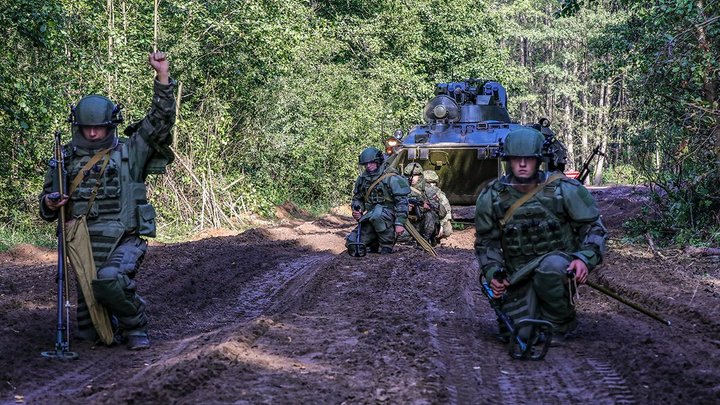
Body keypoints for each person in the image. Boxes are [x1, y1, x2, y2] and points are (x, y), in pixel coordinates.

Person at [39, 51, 176, 350]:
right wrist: (51, 202)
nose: (92, 132)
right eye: (87, 127)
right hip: (83, 245)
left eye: (98, 127)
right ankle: (111, 320)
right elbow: (47, 204)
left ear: (110, 125)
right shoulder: (65, 160)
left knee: (110, 279)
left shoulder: (131, 152)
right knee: (91, 334)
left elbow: (160, 122)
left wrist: (162, 77)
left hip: (124, 239)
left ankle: (136, 324)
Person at [474, 128, 607, 343]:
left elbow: (594, 228)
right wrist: (493, 272)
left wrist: (583, 258)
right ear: (508, 161)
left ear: (540, 160)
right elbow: (486, 242)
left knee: (550, 267)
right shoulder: (492, 196)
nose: (523, 164)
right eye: (517, 159)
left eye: (529, 159)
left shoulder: (565, 189)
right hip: (518, 275)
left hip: (558, 267)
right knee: (518, 335)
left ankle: (559, 323)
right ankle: (534, 314)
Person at [345, 147, 410, 255]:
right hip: (370, 216)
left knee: (378, 214)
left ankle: (386, 245)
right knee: (352, 243)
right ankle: (374, 244)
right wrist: (358, 209)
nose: (368, 166)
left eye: (371, 163)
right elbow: (357, 198)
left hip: (389, 216)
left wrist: (399, 223)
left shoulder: (391, 178)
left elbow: (402, 202)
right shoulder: (362, 179)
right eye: (365, 164)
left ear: (378, 162)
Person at [403, 162, 441, 246]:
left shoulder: (428, 189)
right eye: (409, 176)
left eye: (415, 175)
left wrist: (422, 206)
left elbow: (437, 208)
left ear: (420, 176)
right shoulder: (400, 188)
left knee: (430, 215)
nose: (411, 178)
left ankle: (425, 240)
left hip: (422, 223)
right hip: (406, 222)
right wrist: (404, 207)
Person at [423, 170, 452, 239]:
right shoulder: (419, 193)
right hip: (422, 220)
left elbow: (447, 211)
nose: (431, 185)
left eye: (433, 182)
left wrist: (441, 225)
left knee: (447, 230)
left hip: (436, 220)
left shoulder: (439, 194)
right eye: (428, 183)